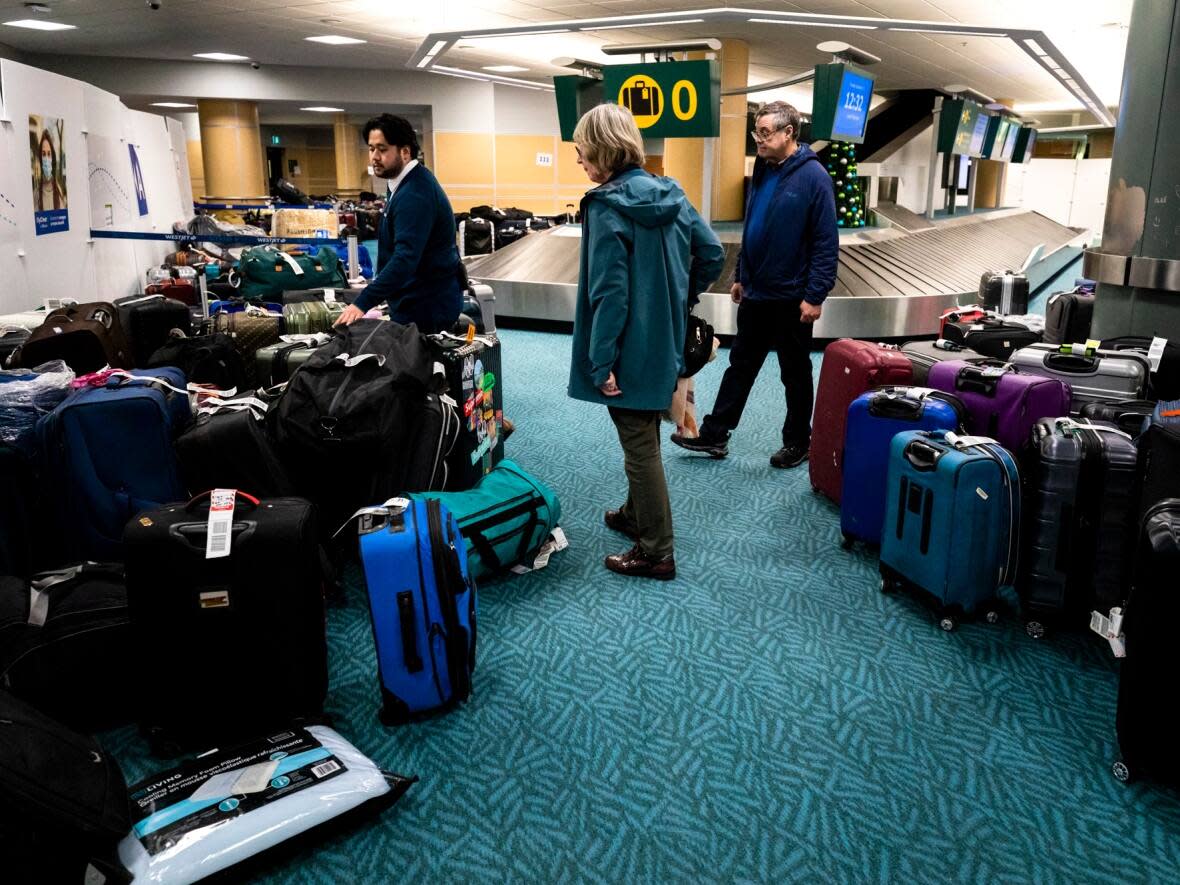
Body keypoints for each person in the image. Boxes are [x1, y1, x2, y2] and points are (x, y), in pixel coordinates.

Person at [567, 103, 724, 581]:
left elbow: (608, 294)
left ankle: (656, 551)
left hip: (625, 347)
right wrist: (678, 296)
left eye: (581, 152)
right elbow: (712, 254)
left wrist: (601, 363)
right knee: (646, 426)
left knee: (638, 444)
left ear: (599, 149)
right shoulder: (671, 191)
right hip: (666, 340)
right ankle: (636, 516)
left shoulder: (603, 205)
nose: (579, 162)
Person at [671, 100, 838, 468]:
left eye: (765, 133)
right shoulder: (764, 168)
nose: (758, 140)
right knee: (740, 364)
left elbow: (826, 242)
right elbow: (753, 227)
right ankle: (715, 434)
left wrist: (815, 295)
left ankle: (797, 442)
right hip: (757, 293)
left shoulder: (815, 178)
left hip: (793, 297)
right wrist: (741, 276)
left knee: (794, 374)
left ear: (789, 133)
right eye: (756, 132)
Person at [334, 114, 462, 334]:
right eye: (371, 148)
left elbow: (405, 257)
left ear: (405, 152)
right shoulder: (401, 183)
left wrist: (363, 302)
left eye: (382, 149)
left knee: (418, 366)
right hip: (414, 298)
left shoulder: (414, 194)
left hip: (426, 306)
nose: (374, 156)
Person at [34, 130, 65, 212]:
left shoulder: (59, 191)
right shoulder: (36, 195)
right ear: (40, 159)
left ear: (52, 158)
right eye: (43, 154)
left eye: (49, 154)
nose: (46, 159)